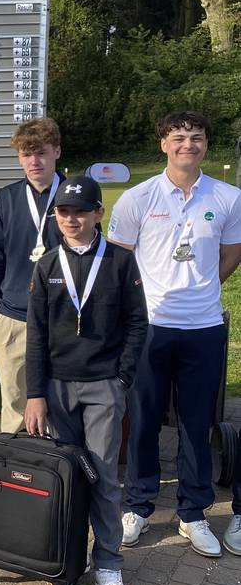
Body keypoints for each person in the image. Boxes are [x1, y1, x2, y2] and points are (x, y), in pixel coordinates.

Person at [108, 111, 241, 557]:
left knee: (196, 422)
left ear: (207, 145)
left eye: (197, 137)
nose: (189, 144)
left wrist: (202, 291)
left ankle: (193, 513)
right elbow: (120, 262)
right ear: (163, 143)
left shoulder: (227, 197)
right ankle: (139, 506)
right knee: (143, 420)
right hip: (150, 328)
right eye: (179, 137)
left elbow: (230, 253)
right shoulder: (137, 197)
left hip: (202, 328)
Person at [25, 176, 148, 585]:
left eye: (80, 212)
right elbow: (36, 336)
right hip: (57, 388)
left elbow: (138, 325)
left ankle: (109, 566)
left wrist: (121, 380)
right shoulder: (46, 264)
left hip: (103, 386)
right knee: (69, 477)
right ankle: (68, 558)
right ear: (54, 217)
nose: (72, 220)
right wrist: (35, 394)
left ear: (99, 214)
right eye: (63, 213)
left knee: (103, 477)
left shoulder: (118, 262)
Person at [0, 117, 64, 433]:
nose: (33, 162)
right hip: (12, 318)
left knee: (59, 403)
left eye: (41, 153)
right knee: (15, 403)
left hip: (60, 319)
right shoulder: (8, 196)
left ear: (57, 152)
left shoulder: (74, 195)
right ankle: (16, 473)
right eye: (26, 154)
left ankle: (58, 475)